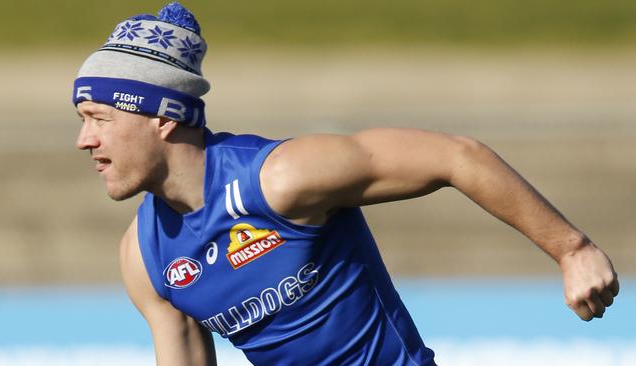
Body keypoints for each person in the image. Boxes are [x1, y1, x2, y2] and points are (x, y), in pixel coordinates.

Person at [73, 2, 619, 366]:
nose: (83, 140)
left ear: (163, 118)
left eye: (99, 118)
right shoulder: (144, 256)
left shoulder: (281, 178)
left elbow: (457, 156)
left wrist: (572, 250)